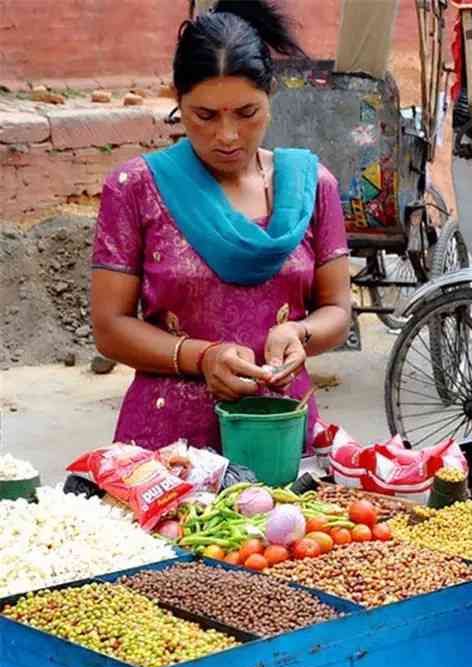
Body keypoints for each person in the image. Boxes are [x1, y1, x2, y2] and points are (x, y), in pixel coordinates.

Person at [91, 0, 351, 453]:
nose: (227, 136)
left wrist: (298, 334)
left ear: (271, 95)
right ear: (178, 101)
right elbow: (110, 327)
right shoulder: (136, 188)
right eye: (204, 116)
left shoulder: (312, 187)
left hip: (280, 433)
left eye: (246, 113)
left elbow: (336, 310)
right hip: (167, 450)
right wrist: (202, 357)